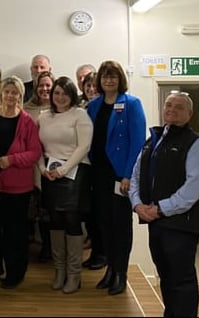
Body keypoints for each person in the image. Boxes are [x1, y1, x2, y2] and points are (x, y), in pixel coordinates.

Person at [129, 91, 199, 317]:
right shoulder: (153, 141)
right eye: (169, 105)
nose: (172, 110)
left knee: (181, 282)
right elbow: (136, 175)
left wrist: (159, 209)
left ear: (189, 113)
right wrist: (137, 204)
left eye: (178, 107)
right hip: (156, 223)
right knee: (166, 277)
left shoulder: (197, 145)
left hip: (181, 226)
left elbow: (193, 189)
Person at [87, 60, 146, 295]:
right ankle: (110, 269)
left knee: (120, 225)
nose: (109, 80)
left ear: (120, 79)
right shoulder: (94, 105)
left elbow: (138, 142)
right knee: (104, 224)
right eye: (104, 76)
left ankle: (121, 273)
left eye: (113, 76)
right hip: (98, 172)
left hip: (119, 173)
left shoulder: (131, 104)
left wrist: (128, 175)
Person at [0, 75, 42, 289]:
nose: (10, 96)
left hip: (18, 187)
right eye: (6, 91)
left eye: (15, 92)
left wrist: (11, 160)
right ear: (1, 94)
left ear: (20, 95)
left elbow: (35, 152)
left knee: (15, 233)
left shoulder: (27, 121)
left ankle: (15, 273)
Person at [37, 76, 93, 294]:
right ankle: (59, 271)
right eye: (56, 93)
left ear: (72, 95)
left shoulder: (80, 115)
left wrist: (63, 169)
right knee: (54, 221)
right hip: (49, 173)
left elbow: (84, 146)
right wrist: (42, 169)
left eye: (65, 93)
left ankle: (74, 274)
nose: (60, 97)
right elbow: (37, 146)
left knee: (71, 220)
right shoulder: (43, 116)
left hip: (74, 173)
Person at [23, 71, 55, 262]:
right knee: (33, 208)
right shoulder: (26, 108)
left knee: (50, 209)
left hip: (53, 164)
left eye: (48, 86)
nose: (44, 89)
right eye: (41, 86)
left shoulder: (60, 107)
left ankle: (50, 248)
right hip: (31, 165)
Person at [78, 72, 107, 271]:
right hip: (84, 167)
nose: (91, 90)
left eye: (94, 86)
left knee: (101, 214)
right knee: (89, 213)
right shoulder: (81, 108)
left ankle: (103, 253)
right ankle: (96, 252)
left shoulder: (106, 108)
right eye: (88, 86)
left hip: (102, 167)